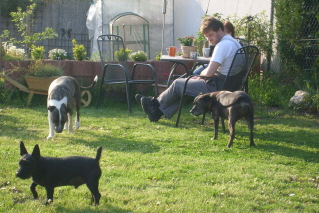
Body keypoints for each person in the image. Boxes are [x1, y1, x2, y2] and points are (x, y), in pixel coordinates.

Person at [135, 17, 242, 122]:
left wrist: (201, 75)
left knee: (179, 83)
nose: (209, 39)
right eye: (206, 36)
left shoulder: (222, 45)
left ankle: (155, 104)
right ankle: (157, 112)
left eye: (210, 35)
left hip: (218, 87)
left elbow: (209, 73)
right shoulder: (234, 43)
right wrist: (202, 76)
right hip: (229, 85)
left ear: (220, 30)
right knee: (186, 85)